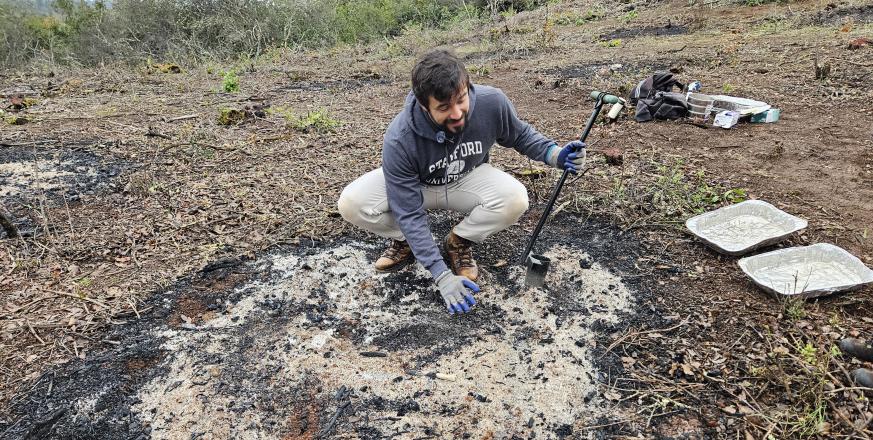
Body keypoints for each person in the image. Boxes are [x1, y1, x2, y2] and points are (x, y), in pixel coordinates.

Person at [337, 49, 584, 314]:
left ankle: (458, 241)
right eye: (443, 107)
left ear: (468, 86)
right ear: (423, 105)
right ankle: (406, 242)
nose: (456, 113)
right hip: (416, 185)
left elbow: (520, 135)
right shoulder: (400, 139)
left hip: (465, 177)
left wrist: (556, 155)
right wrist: (441, 276)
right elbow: (409, 212)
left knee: (515, 198)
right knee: (352, 203)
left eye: (461, 100)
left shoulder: (492, 102)